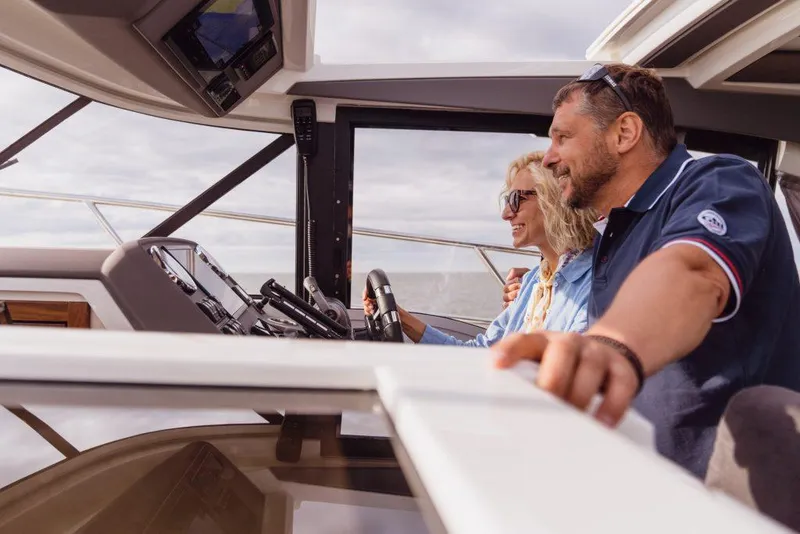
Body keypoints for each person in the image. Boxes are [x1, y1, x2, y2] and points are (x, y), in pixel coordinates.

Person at [491, 62, 800, 478]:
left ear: (624, 133)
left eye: (563, 137)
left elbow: (692, 273)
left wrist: (610, 346)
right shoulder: (611, 234)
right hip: (634, 476)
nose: (549, 159)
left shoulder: (720, 182)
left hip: (722, 496)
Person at [363, 151, 597, 346]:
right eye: (507, 201)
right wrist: (397, 316)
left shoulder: (594, 285)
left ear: (553, 200)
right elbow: (480, 352)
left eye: (516, 199)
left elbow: (570, 367)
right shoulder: (533, 283)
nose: (506, 214)